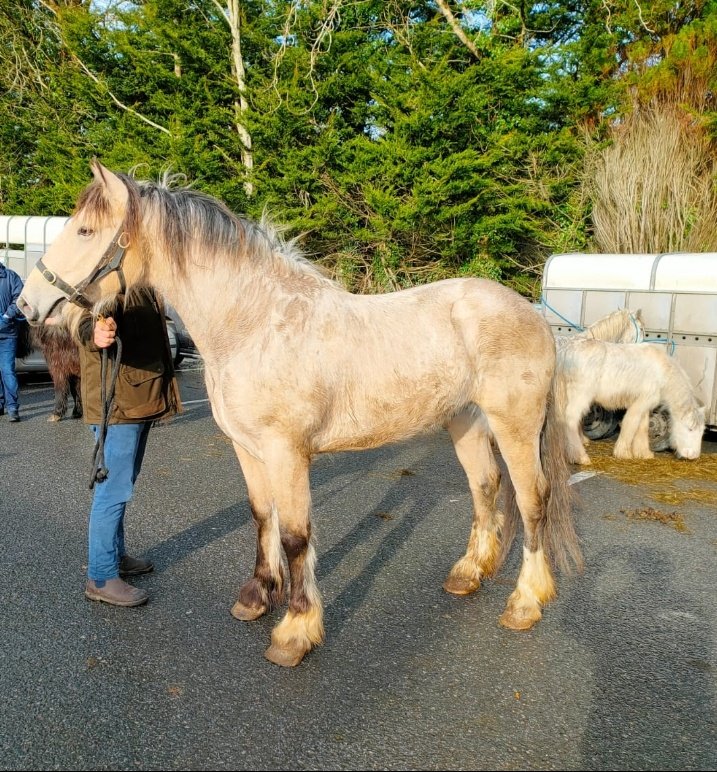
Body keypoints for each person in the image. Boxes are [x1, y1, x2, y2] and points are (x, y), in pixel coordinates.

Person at [72, 288, 182, 607]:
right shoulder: (107, 275)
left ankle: (116, 557)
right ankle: (101, 577)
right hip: (117, 405)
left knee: (123, 484)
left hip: (137, 400)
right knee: (113, 490)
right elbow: (79, 317)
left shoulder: (141, 279)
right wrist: (93, 332)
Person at [0, 263, 24, 422]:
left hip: (7, 333)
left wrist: (8, 316)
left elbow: (20, 298)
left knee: (7, 370)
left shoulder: (10, 276)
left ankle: (13, 407)